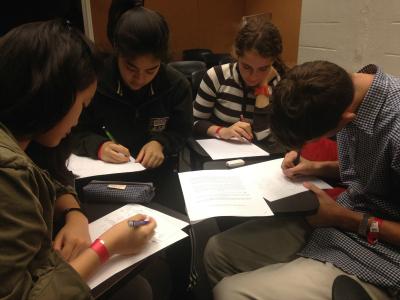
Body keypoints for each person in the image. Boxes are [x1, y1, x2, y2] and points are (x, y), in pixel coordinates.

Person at [203, 61, 400, 299]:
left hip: (379, 256)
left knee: (229, 292)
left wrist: (346, 219)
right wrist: (317, 167)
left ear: (345, 120)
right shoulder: (347, 90)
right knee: (218, 252)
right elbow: (376, 173)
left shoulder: (393, 125)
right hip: (337, 221)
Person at [0, 19, 157, 299]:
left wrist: (75, 214)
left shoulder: (25, 141)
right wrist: (108, 245)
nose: (79, 119)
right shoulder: (8, 173)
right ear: (51, 97)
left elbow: (53, 175)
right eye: (82, 105)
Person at [72, 0, 193, 169]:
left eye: (151, 70)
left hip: (157, 170)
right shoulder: (94, 82)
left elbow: (182, 131)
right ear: (117, 52)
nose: (140, 78)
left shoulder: (176, 85)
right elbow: (73, 131)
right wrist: (99, 147)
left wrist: (160, 142)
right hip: (104, 171)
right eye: (131, 68)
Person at [192, 16, 288, 153]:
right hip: (220, 154)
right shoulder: (216, 76)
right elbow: (194, 122)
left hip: (260, 159)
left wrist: (263, 87)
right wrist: (222, 131)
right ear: (237, 54)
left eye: (263, 69)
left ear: (272, 63)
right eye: (247, 67)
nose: (253, 77)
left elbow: (264, 135)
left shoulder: (279, 83)